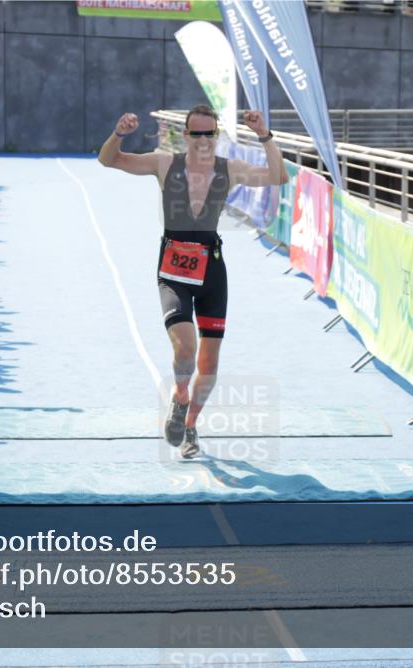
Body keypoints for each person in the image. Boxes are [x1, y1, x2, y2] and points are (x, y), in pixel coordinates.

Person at [98, 105, 286, 458]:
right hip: (174, 268)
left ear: (216, 136)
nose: (202, 140)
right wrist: (119, 133)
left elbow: (278, 177)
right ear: (185, 135)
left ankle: (190, 425)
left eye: (209, 134)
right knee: (185, 348)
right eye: (195, 133)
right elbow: (109, 160)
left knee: (209, 365)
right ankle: (180, 397)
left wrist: (264, 135)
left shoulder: (229, 169)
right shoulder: (164, 163)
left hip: (212, 268)